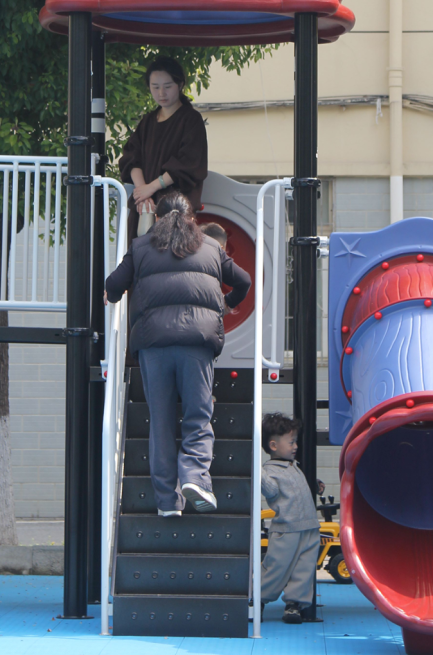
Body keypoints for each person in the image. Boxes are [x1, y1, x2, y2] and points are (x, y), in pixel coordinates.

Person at [105, 191, 251, 515]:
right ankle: (195, 477)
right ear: (192, 219)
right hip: (196, 344)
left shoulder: (140, 247)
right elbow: (243, 281)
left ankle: (168, 503)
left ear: (157, 218)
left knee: (160, 422)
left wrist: (111, 296)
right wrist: (226, 304)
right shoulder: (211, 247)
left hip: (153, 344)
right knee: (198, 415)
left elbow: (114, 284)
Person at [118, 57, 208, 243]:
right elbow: (131, 159)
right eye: (155, 87)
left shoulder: (191, 120)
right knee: (139, 254)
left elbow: (187, 165)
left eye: (167, 86)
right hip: (144, 207)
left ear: (180, 84)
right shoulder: (147, 121)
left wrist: (150, 188)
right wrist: (142, 194)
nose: (161, 93)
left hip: (175, 209)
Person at [260, 412, 320, 624]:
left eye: (295, 441)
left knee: (304, 569)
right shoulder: (268, 471)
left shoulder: (293, 466)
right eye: (291, 442)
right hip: (286, 529)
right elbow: (270, 490)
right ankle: (257, 598)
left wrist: (315, 483)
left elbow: (296, 487)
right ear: (273, 446)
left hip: (309, 527)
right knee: (277, 567)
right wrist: (257, 470)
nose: (295, 446)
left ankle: (294, 604)